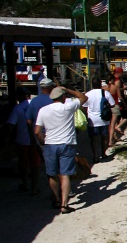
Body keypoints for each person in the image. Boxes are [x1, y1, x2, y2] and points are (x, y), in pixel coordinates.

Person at [35, 85, 88, 213]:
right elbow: (83, 97)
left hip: (50, 144)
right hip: (66, 143)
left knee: (52, 174)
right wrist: (68, 89)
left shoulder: (43, 110)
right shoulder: (68, 107)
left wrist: (43, 141)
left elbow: (37, 131)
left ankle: (56, 198)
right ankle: (64, 204)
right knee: (65, 175)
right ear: (63, 97)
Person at [5, 88, 33, 191]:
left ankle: (25, 184)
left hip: (22, 140)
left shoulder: (17, 108)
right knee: (35, 163)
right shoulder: (33, 106)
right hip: (34, 141)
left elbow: (11, 124)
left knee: (23, 163)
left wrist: (8, 136)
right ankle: (34, 186)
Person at [84, 79, 115, 163]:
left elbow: (84, 106)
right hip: (104, 119)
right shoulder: (105, 93)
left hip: (92, 120)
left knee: (94, 138)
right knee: (104, 137)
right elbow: (113, 104)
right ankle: (104, 154)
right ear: (100, 84)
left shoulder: (88, 94)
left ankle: (95, 156)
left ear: (92, 84)